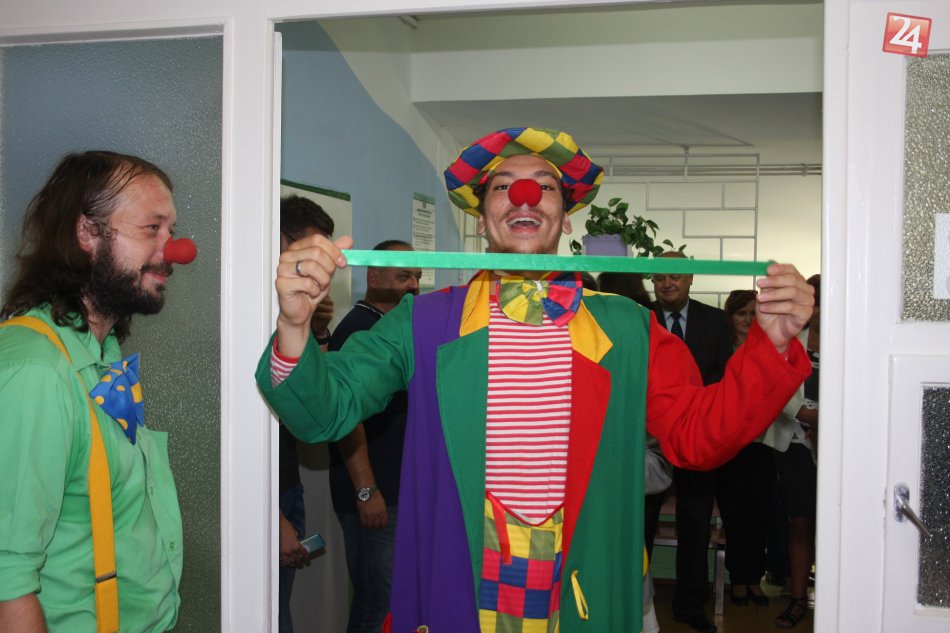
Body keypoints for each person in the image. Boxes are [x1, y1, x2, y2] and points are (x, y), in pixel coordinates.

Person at [256, 126, 814, 632]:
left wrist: (772, 345)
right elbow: (325, 410)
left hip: (579, 585)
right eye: (502, 187)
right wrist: (295, 325)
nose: (523, 196)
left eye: (544, 187)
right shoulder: (423, 321)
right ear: (482, 218)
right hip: (464, 580)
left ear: (565, 218)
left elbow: (697, 435)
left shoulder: (627, 327)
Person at [0, 151, 188, 632]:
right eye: (152, 228)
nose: (174, 251)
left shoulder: (101, 358)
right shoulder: (38, 370)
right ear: (87, 232)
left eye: (171, 230)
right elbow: (7, 582)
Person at [327, 240, 421, 633]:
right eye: (403, 276)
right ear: (374, 276)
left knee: (393, 600)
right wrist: (367, 491)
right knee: (375, 602)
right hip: (373, 496)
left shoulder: (396, 329)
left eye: (416, 276)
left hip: (395, 491)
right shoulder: (358, 330)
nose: (413, 285)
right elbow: (346, 419)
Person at [650, 251, 733, 633]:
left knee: (695, 524)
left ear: (690, 279)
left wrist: (690, 407)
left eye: (676, 276)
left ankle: (690, 606)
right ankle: (637, 602)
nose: (668, 283)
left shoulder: (715, 321)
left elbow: (722, 374)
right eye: (660, 277)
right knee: (641, 525)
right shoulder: (641, 318)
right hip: (650, 441)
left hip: (698, 438)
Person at [277, 194, 336, 633]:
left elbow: (314, 405)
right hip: (264, 496)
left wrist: (315, 329)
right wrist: (273, 520)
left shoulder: (293, 313)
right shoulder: (242, 316)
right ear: (281, 243)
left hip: (287, 481)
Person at [764, 274, 820, 629]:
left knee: (835, 524)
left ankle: (835, 599)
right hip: (795, 443)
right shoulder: (789, 339)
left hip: (839, 446)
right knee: (798, 522)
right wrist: (806, 415)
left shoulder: (850, 338)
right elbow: (775, 385)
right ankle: (798, 599)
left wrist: (829, 422)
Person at [715, 290, 775, 608]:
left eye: (754, 314)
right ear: (731, 316)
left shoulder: (767, 348)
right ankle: (738, 580)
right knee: (735, 516)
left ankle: (755, 579)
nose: (748, 319)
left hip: (762, 443)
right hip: (729, 444)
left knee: (760, 517)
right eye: (742, 313)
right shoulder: (720, 349)